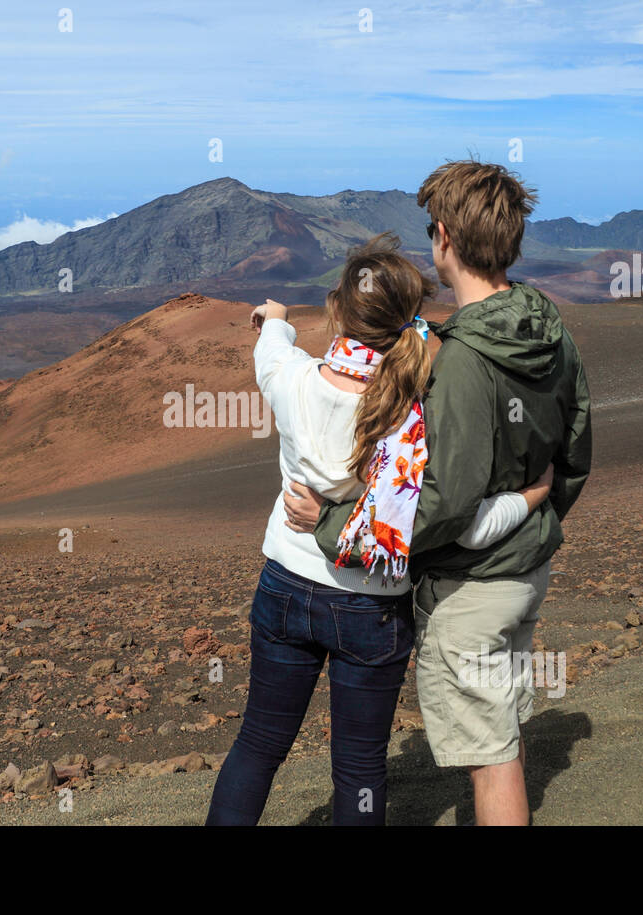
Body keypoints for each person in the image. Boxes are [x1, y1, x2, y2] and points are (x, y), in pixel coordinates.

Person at [206, 233, 554, 826]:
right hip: (371, 603)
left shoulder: (291, 380)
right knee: (360, 766)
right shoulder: (417, 400)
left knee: (259, 746)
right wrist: (534, 493)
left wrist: (278, 317)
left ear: (339, 310)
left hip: (287, 584)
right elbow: (454, 508)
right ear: (409, 320)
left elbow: (272, 345)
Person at [284, 161, 592, 826]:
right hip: (525, 568)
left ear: (445, 238)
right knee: (500, 733)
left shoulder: (458, 360)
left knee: (488, 755)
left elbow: (442, 504)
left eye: (432, 229)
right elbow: (574, 449)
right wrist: (532, 514)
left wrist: (334, 524)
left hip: (473, 587)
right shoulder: (549, 329)